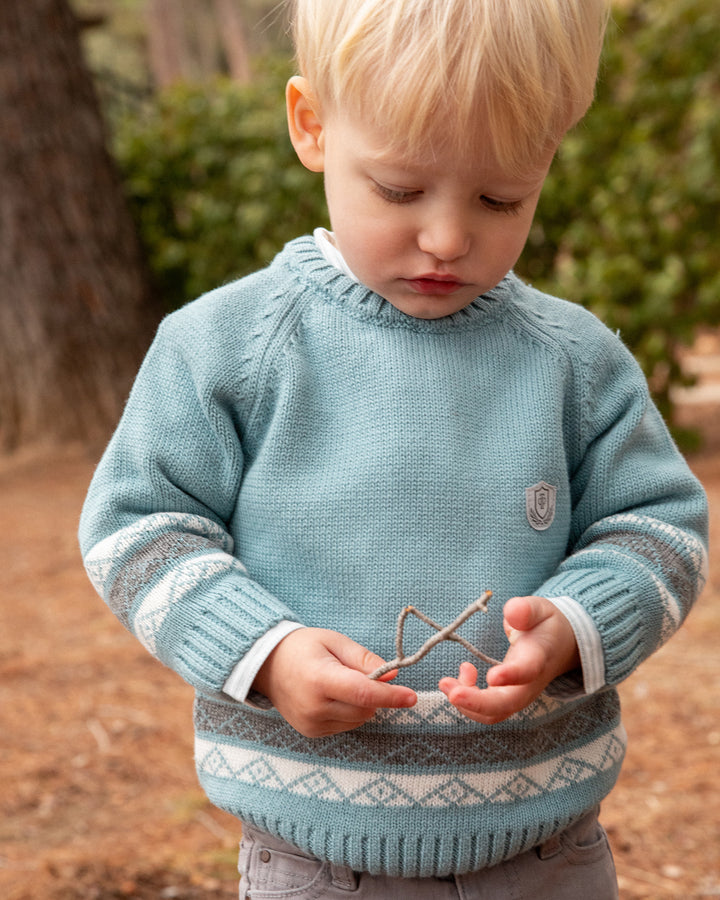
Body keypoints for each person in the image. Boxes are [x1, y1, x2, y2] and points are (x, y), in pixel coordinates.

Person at [79, 1, 709, 897]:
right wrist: (263, 651)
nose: (448, 239)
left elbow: (660, 527)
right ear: (311, 126)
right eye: (400, 190)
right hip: (313, 858)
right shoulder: (227, 346)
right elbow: (137, 527)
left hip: (547, 857)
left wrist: (577, 626)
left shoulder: (573, 362)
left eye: (500, 198)